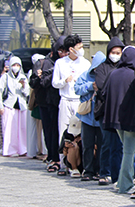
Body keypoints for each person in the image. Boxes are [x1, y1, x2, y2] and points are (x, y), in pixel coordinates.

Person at [103, 46, 135, 194]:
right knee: (129, 151)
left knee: (124, 150)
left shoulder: (113, 73)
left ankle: (121, 181)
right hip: (131, 118)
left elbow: (104, 93)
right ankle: (125, 185)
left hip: (115, 118)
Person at [52, 34, 90, 176]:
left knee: (79, 133)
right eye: (78, 47)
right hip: (65, 100)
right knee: (63, 131)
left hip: (79, 102)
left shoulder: (85, 63)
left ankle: (79, 164)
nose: (81, 50)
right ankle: (63, 164)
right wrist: (64, 81)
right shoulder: (60, 63)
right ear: (71, 49)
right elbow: (55, 83)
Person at [30, 36, 65, 172]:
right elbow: (33, 83)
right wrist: (39, 77)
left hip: (60, 101)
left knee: (60, 131)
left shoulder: (66, 63)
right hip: (45, 103)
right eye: (60, 50)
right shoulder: (43, 63)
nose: (63, 53)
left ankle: (62, 158)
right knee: (49, 131)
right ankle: (52, 157)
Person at [94, 37, 125, 186]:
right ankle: (105, 172)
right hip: (105, 110)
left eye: (118, 52)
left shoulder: (125, 66)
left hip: (121, 111)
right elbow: (101, 85)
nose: (115, 55)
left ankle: (119, 173)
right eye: (113, 52)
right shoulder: (101, 68)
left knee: (120, 145)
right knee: (107, 142)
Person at [74, 51, 106, 181]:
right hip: (87, 117)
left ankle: (99, 170)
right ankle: (88, 170)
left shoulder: (106, 76)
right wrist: (90, 86)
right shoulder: (85, 76)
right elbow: (76, 89)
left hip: (101, 117)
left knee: (101, 145)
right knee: (87, 145)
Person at [0, 56, 30, 157]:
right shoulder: (5, 77)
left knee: (23, 129)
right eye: (14, 65)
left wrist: (24, 85)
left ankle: (23, 149)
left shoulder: (23, 77)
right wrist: (0, 106)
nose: (16, 67)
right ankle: (10, 150)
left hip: (22, 106)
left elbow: (27, 93)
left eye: (18, 65)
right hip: (9, 106)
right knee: (10, 129)